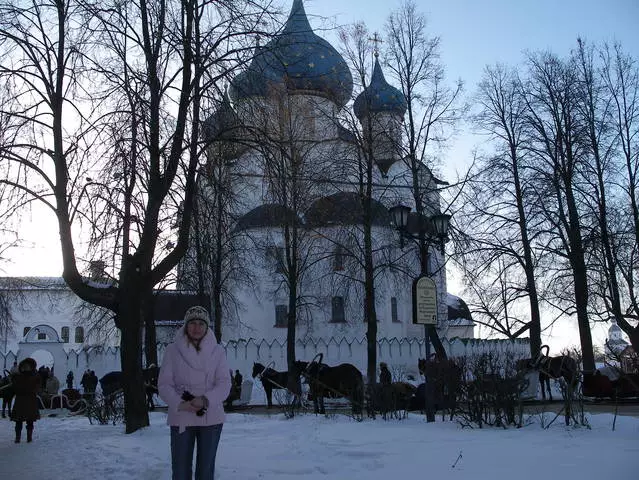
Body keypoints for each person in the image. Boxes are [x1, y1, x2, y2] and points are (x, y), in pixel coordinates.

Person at [159, 306, 231, 480]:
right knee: (180, 470)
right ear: (185, 326)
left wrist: (205, 400)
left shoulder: (218, 351)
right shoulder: (172, 351)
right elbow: (164, 384)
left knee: (205, 471)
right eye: (192, 323)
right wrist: (179, 403)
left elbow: (224, 384)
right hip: (182, 414)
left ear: (207, 327)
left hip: (211, 416)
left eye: (201, 323)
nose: (197, 328)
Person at [11, 358, 41, 443]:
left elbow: (36, 388)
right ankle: (18, 437)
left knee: (30, 420)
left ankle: (29, 437)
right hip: (20, 401)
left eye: (27, 366)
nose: (25, 368)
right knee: (18, 420)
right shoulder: (18, 377)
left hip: (30, 401)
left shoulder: (35, 377)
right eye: (24, 366)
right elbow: (15, 389)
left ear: (31, 367)